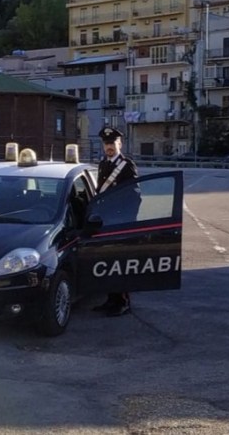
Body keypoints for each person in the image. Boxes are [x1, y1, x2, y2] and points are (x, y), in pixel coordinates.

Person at [93, 126, 138, 317]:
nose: (109, 147)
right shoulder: (103, 164)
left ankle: (123, 302)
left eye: (112, 143)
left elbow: (135, 197)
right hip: (106, 222)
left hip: (120, 223)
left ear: (120, 144)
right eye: (106, 143)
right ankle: (111, 299)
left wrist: (126, 221)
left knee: (120, 263)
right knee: (108, 262)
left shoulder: (126, 166)